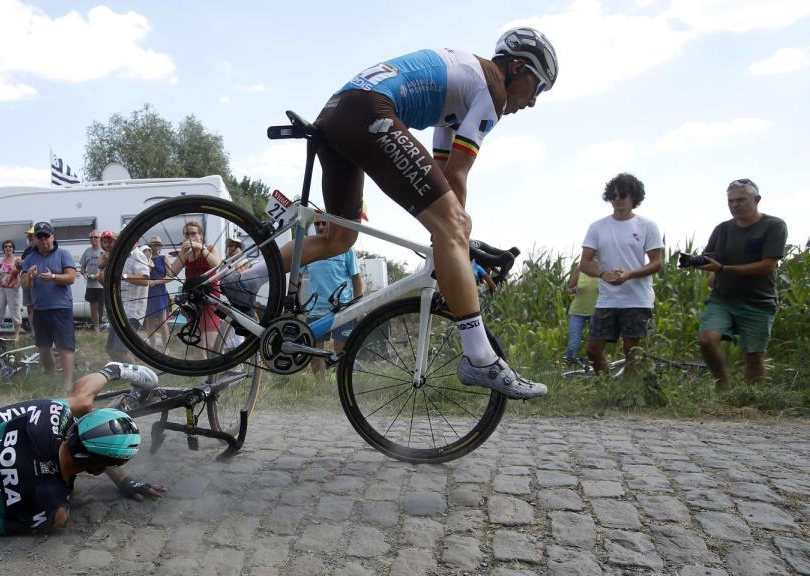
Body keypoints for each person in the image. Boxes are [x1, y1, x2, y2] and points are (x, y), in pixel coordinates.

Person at [238, 28, 558, 398]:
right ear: (517, 67)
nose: (533, 102)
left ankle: (244, 281)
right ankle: (480, 357)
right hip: (368, 110)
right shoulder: (492, 91)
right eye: (538, 87)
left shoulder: (465, 89)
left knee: (340, 238)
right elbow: (456, 179)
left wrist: (454, 243)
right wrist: (458, 241)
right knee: (454, 224)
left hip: (340, 111)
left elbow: (443, 175)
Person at [0, 362, 166, 535]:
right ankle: (113, 371)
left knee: (80, 402)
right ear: (97, 471)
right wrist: (125, 481)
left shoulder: (51, 416)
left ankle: (113, 371)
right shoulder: (55, 510)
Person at [695, 178, 788, 391]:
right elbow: (710, 258)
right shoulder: (722, 229)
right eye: (731, 201)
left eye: (740, 200)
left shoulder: (774, 226)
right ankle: (722, 386)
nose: (734, 205)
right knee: (706, 340)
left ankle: (751, 399)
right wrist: (698, 263)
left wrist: (722, 270)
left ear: (756, 200)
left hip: (758, 301)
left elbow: (768, 265)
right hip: (723, 299)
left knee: (754, 357)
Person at [579, 173, 663, 375]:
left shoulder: (647, 225)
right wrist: (603, 274)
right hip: (607, 299)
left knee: (631, 352)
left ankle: (628, 389)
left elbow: (657, 263)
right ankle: (607, 384)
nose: (617, 199)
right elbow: (584, 263)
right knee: (592, 349)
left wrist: (629, 275)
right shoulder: (597, 227)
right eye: (613, 195)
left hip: (637, 299)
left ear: (633, 197)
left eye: (622, 194)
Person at [301, 218, 363, 374]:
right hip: (315, 310)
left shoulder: (346, 247)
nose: (321, 226)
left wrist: (359, 307)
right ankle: (320, 384)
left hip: (342, 308)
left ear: (332, 225)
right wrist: (296, 302)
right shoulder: (309, 249)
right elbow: (298, 276)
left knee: (341, 351)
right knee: (314, 351)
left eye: (324, 223)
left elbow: (356, 277)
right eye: (317, 223)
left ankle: (340, 381)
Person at [21, 222, 77, 391]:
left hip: (61, 307)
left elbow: (71, 277)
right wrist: (30, 277)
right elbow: (24, 285)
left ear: (52, 237)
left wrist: (53, 276)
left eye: (46, 236)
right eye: (40, 236)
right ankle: (51, 379)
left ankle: (67, 383)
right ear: (35, 239)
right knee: (43, 348)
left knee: (65, 346)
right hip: (40, 308)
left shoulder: (63, 254)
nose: (43, 240)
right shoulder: (30, 258)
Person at [166, 221, 223, 359]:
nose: (190, 236)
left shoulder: (209, 248)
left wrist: (201, 248)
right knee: (197, 343)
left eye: (193, 233)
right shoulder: (186, 253)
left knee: (211, 344)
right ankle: (204, 370)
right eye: (187, 234)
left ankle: (221, 367)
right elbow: (171, 273)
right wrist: (181, 252)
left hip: (209, 297)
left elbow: (217, 265)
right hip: (192, 299)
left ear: (201, 235)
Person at [564, 261, 599, 363]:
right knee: (574, 342)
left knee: (595, 343)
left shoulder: (604, 269)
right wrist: (573, 290)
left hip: (596, 313)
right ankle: (569, 363)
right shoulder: (580, 269)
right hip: (577, 311)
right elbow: (568, 289)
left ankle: (595, 364)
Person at [0, 240, 23, 342]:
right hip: (1, 289)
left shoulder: (18, 261)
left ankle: (17, 335)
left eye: (10, 246)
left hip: (13, 290)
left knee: (15, 311)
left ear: (13, 248)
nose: (8, 248)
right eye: (5, 246)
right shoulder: (0, 262)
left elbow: (21, 273)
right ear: (3, 249)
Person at [144, 235, 170, 348]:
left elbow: (170, 277)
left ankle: (166, 348)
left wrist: (155, 282)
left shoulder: (163, 258)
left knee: (163, 322)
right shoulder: (145, 259)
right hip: (148, 292)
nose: (156, 247)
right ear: (150, 246)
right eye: (154, 245)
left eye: (158, 245)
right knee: (149, 322)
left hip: (160, 292)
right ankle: (153, 346)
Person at [81, 231, 104, 332]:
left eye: (95, 237)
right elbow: (82, 267)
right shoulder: (87, 251)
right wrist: (85, 273)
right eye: (91, 237)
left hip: (102, 284)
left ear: (100, 238)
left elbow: (108, 267)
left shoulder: (104, 250)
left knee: (104, 307)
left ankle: (105, 325)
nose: (93, 239)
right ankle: (96, 327)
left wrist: (99, 275)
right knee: (94, 307)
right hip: (91, 285)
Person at [17, 226, 38, 330]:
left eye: (31, 235)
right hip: (26, 281)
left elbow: (40, 263)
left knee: (37, 306)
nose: (30, 237)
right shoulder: (27, 250)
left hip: (36, 282)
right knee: (30, 307)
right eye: (29, 236)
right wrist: (18, 264)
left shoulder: (40, 250)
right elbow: (20, 267)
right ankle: (33, 332)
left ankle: (39, 331)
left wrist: (26, 262)